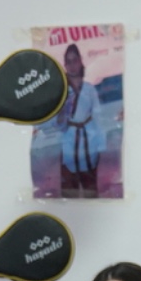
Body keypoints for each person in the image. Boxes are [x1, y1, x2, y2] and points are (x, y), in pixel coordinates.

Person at [54, 40, 101, 195]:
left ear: (81, 61)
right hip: (69, 141)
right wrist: (63, 114)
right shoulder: (61, 91)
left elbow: (98, 118)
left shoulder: (90, 89)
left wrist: (98, 143)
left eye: (75, 60)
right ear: (65, 65)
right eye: (68, 62)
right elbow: (58, 124)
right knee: (69, 192)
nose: (72, 65)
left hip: (89, 141)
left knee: (90, 189)